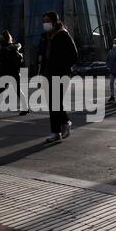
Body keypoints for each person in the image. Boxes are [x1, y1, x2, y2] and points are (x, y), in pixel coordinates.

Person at [37, 11, 79, 143]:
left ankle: (57, 130)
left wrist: (62, 66)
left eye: (48, 20)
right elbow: (41, 56)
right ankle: (61, 126)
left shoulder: (63, 35)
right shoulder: (45, 36)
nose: (45, 23)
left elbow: (74, 56)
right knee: (52, 103)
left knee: (55, 102)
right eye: (44, 20)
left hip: (60, 74)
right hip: (47, 73)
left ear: (55, 21)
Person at [0, 30, 29, 118]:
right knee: (4, 92)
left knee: (12, 92)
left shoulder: (7, 48)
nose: (0, 39)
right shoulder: (11, 47)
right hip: (12, 73)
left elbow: (4, 63)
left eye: (1, 38)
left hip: (9, 73)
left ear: (5, 39)